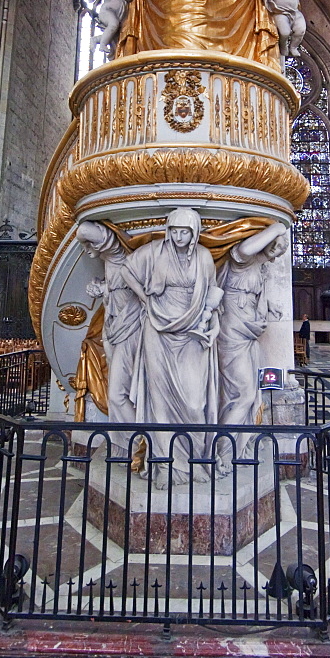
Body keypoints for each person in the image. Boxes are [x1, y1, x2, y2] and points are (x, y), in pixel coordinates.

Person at [122, 208, 223, 488]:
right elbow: (127, 270)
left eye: (185, 232)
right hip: (157, 329)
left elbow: (213, 293)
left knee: (194, 402)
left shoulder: (203, 256)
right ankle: (165, 464)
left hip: (192, 333)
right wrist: (145, 299)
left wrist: (213, 326)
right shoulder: (155, 251)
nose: (179, 236)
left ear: (194, 233)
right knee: (161, 402)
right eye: (175, 231)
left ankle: (194, 462)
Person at [216, 221, 288, 468]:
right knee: (243, 393)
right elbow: (245, 250)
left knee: (243, 394)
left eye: (280, 251)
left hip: (248, 334)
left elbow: (256, 295)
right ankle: (223, 451)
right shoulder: (244, 259)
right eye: (274, 246)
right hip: (231, 332)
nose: (275, 252)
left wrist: (269, 306)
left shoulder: (260, 268)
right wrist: (278, 227)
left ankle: (237, 445)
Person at [76, 222, 141, 429]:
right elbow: (117, 290)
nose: (86, 250)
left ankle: (137, 436)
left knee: (120, 392)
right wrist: (102, 287)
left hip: (129, 329)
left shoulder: (117, 255)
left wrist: (104, 289)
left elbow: (89, 231)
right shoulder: (109, 259)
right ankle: (131, 437)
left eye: (89, 245)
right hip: (113, 327)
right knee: (119, 387)